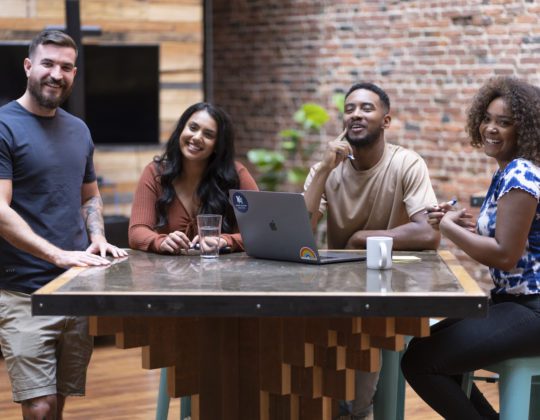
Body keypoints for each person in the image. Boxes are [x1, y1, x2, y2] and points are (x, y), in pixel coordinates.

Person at [0, 30, 127, 419]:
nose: (57, 74)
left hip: (74, 287)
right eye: (48, 63)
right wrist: (56, 255)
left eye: (66, 67)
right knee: (39, 406)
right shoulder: (4, 125)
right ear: (28, 66)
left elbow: (89, 195)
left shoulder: (79, 130)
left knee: (57, 400)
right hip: (23, 291)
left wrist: (99, 236)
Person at [401, 77, 540, 419]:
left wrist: (447, 228)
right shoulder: (507, 171)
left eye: (504, 122)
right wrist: (465, 221)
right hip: (514, 304)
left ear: (525, 129)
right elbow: (513, 233)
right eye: (488, 119)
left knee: (420, 362)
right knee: (425, 344)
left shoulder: (520, 173)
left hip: (533, 310)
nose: (492, 128)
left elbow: (505, 255)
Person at [304, 82, 440, 420]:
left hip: (389, 285)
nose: (356, 114)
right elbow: (302, 234)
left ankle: (356, 410)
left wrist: (362, 238)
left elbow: (428, 233)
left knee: (366, 326)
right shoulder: (326, 170)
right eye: (350, 109)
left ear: (386, 120)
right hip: (336, 288)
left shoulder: (406, 163)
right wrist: (322, 170)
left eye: (366, 108)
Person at [129, 102, 258, 254]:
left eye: (208, 134)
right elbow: (137, 232)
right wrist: (161, 241)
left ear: (218, 145)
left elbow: (260, 230)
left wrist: (225, 240)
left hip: (223, 274)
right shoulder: (155, 173)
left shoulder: (236, 175)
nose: (197, 137)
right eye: (193, 128)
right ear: (181, 130)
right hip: (168, 275)